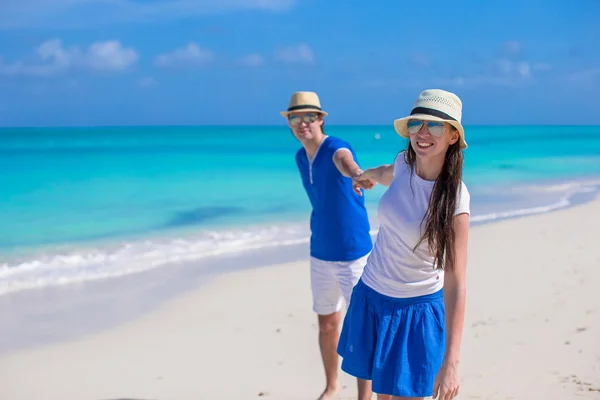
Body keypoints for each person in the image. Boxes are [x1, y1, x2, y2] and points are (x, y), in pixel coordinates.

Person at [339, 89, 471, 400]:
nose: (423, 133)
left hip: (416, 310)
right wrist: (364, 176)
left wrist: (452, 362)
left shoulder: (455, 199)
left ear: (453, 136)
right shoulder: (404, 163)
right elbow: (387, 173)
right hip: (373, 296)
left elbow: (456, 283)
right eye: (416, 124)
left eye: (435, 126)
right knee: (380, 395)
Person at [281, 91, 374, 400]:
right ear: (290, 123)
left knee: (360, 328)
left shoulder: (335, 147)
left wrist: (357, 174)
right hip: (320, 250)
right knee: (326, 324)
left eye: (309, 116)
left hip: (352, 252)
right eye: (296, 117)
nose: (303, 123)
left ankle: (365, 397)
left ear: (320, 119)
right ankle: (331, 387)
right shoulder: (299, 157)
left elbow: (345, 162)